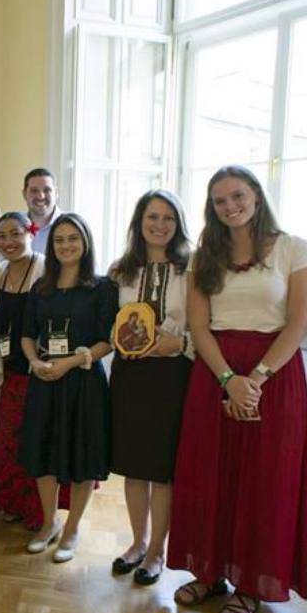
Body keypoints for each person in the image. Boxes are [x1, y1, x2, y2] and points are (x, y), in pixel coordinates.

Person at [168, 165, 307, 613]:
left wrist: (254, 379)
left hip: (275, 375)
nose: (230, 206)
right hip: (215, 371)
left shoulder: (295, 249)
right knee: (209, 475)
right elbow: (198, 326)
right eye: (220, 201)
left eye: (237, 195)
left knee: (263, 482)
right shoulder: (203, 257)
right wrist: (229, 379)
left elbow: (298, 324)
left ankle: (251, 583)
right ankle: (209, 572)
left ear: (256, 194)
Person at [107, 189, 194, 586]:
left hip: (172, 376)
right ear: (139, 223)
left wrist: (180, 343)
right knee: (134, 466)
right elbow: (110, 323)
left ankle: (157, 550)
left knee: (161, 469)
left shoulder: (191, 269)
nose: (160, 225)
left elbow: (204, 325)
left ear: (178, 224)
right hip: (129, 375)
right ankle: (137, 542)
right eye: (152, 217)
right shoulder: (121, 270)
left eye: (168, 218)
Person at [19, 214, 115, 562]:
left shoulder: (102, 287)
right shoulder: (40, 288)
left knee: (81, 455)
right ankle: (50, 523)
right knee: (43, 452)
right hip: (45, 379)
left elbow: (108, 341)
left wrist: (70, 363)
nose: (66, 245)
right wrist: (35, 362)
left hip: (84, 381)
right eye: (59, 240)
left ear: (85, 242)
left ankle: (72, 529)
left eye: (73, 238)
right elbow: (27, 335)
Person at [0, 212, 71, 530]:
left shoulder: (46, 270)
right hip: (12, 371)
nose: (9, 242)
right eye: (2, 235)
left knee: (38, 441)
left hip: (41, 372)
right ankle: (14, 503)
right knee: (11, 441)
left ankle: (43, 513)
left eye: (15, 234)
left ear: (30, 234)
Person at [22, 168, 62, 254]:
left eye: (47, 190)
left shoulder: (72, 226)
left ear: (56, 193)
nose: (41, 196)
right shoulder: (15, 225)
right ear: (24, 194)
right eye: (34, 191)